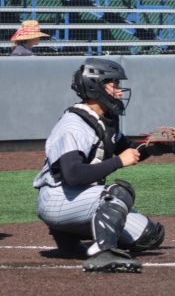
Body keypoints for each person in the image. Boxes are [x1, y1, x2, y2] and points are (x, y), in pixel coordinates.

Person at [33, 58, 166, 273]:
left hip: (78, 198)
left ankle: (69, 238)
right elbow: (73, 174)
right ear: (95, 86)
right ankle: (104, 252)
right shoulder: (74, 125)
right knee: (119, 192)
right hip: (58, 198)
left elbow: (128, 148)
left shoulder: (103, 119)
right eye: (113, 84)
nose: (119, 91)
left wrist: (155, 147)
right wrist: (119, 161)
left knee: (150, 236)